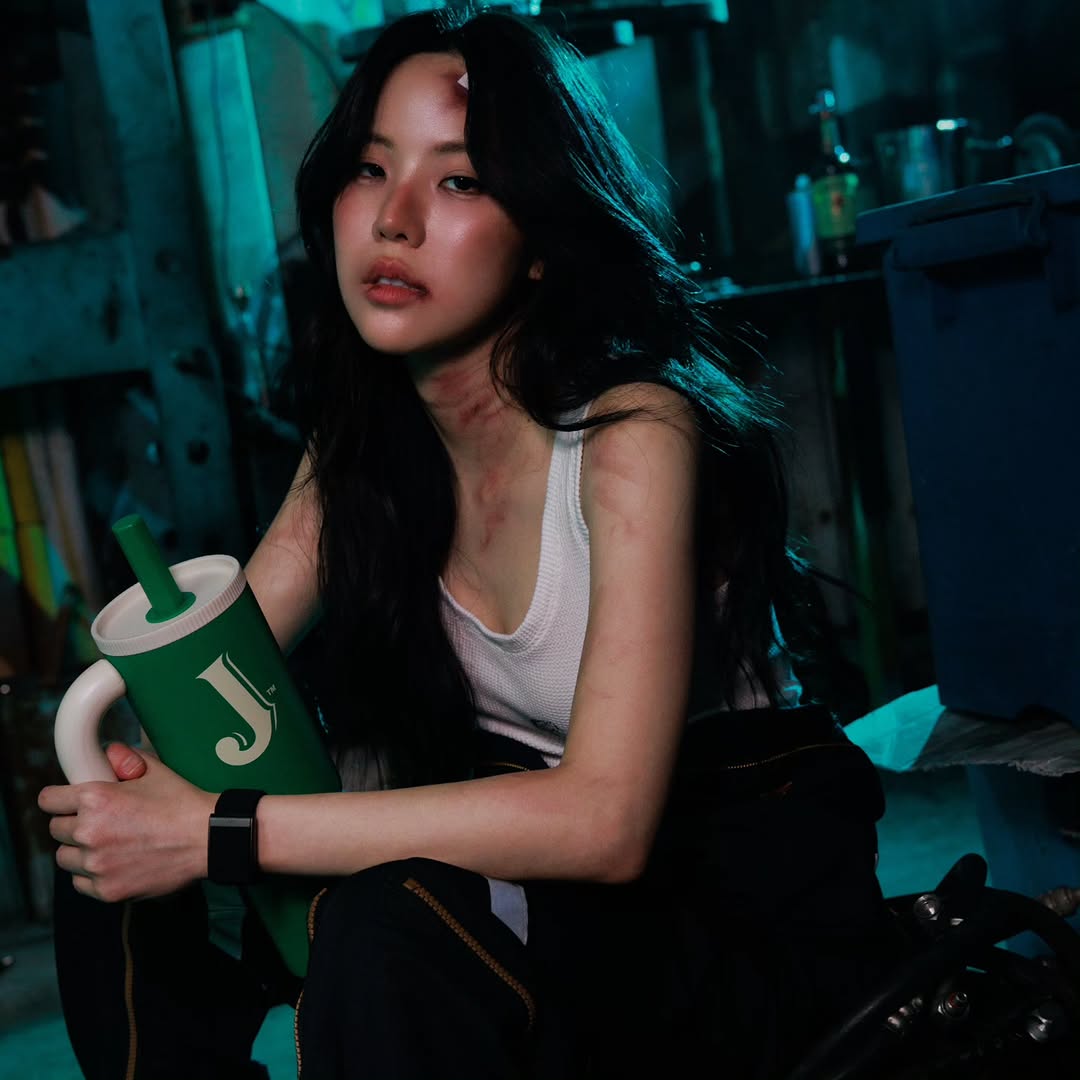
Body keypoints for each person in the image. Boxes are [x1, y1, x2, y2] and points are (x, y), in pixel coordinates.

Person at [39, 8, 900, 1079]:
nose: (393, 220)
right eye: (370, 168)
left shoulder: (633, 434)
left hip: (726, 907)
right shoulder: (359, 452)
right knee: (109, 858)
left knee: (390, 923)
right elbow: (220, 684)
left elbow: (607, 822)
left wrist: (222, 830)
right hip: (535, 892)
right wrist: (138, 797)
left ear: (540, 239)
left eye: (458, 181)